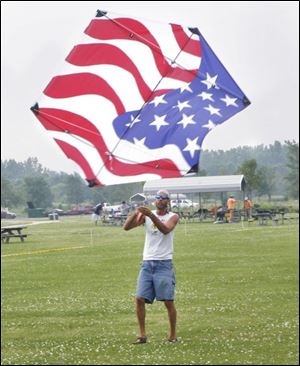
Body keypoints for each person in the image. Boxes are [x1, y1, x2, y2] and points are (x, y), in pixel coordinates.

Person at [123, 189, 179, 344]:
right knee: (139, 298)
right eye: (157, 198)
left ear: (167, 201)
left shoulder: (173, 216)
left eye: (162, 198)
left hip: (164, 263)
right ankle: (142, 335)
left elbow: (166, 230)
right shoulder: (146, 215)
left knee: (168, 301)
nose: (159, 200)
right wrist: (136, 212)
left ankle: (173, 335)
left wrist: (151, 215)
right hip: (147, 263)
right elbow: (126, 227)